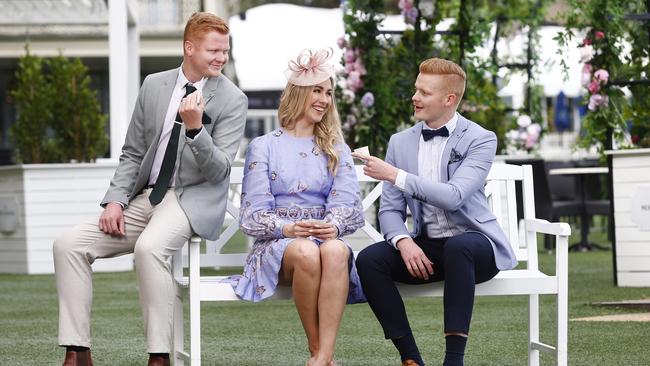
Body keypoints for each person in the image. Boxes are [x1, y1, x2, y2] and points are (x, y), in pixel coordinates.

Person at [52, 12, 247, 366]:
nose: (221, 58)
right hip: (146, 198)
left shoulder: (233, 99)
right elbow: (133, 153)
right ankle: (77, 351)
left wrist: (195, 130)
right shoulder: (154, 85)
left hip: (190, 200)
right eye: (213, 50)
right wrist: (115, 200)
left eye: (225, 51)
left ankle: (159, 357)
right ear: (189, 48)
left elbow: (219, 170)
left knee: (150, 249)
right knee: (68, 245)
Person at [351, 58, 518, 366]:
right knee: (369, 260)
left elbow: (454, 197)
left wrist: (394, 175)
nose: (415, 97)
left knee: (459, 246)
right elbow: (389, 209)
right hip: (428, 248)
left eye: (424, 93)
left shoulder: (480, 139)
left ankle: (453, 361)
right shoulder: (399, 143)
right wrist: (403, 241)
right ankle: (410, 358)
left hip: (476, 246)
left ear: (449, 99)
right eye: (416, 89)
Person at [228, 48, 365, 366]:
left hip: (323, 238)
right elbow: (251, 215)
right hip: (279, 246)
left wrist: (333, 225)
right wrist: (286, 228)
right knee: (305, 250)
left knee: (335, 251)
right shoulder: (264, 146)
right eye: (318, 90)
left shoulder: (335, 148)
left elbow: (348, 204)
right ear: (299, 93)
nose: (325, 99)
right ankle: (317, 350)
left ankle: (324, 356)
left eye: (329, 93)